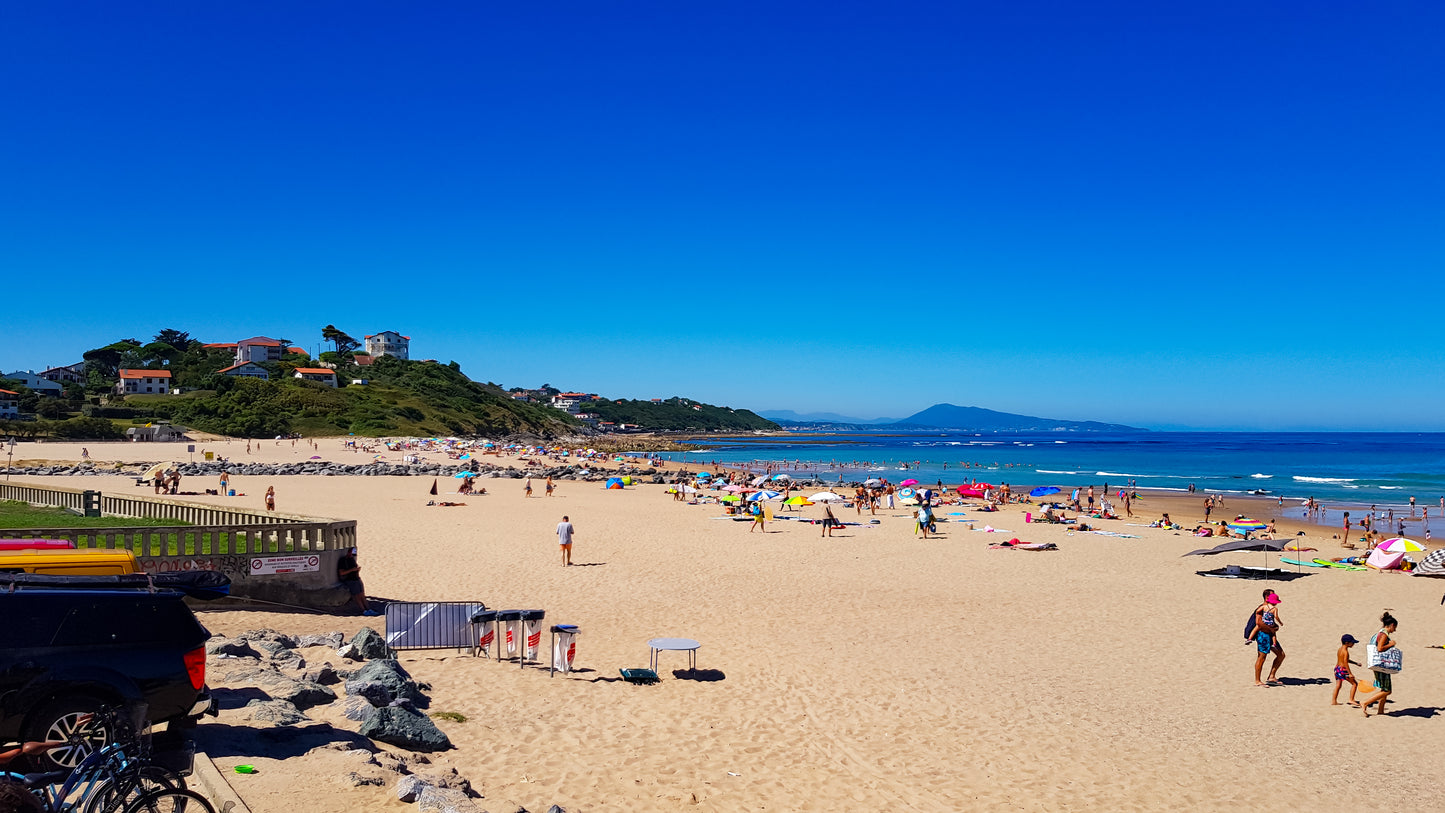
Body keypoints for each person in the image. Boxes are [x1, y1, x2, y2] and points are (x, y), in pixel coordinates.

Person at [1359, 612, 1399, 717]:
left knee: (1384, 688)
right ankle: (1365, 703)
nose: (1394, 630)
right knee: (1387, 690)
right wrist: (1391, 644)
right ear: (1391, 625)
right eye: (1394, 627)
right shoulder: (1384, 634)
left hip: (1377, 664)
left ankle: (1381, 711)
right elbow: (1380, 648)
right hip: (1382, 665)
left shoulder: (1378, 633)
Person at [1251, 589, 1285, 686]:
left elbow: (1271, 621)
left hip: (1270, 635)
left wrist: (1275, 627)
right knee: (1262, 657)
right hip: (1262, 635)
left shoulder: (1271, 608)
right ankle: (1257, 680)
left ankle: (1271, 676)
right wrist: (1272, 629)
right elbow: (1259, 623)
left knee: (1281, 654)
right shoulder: (1262, 608)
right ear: (1267, 598)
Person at [337, 547, 378, 616]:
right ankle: (364, 610)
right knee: (357, 596)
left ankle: (368, 609)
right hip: (350, 580)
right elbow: (341, 573)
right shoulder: (343, 561)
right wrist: (352, 570)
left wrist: (357, 570)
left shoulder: (352, 559)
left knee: (362, 594)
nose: (352, 555)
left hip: (357, 578)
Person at [1331, 634, 1361, 707]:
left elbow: (1344, 660)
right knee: (1354, 684)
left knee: (1338, 685)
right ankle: (1351, 699)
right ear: (1347, 643)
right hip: (1343, 670)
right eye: (1352, 642)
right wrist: (1350, 673)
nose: (1353, 644)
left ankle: (1334, 701)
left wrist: (1355, 663)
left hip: (1337, 669)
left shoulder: (1340, 649)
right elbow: (1345, 663)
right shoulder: (1346, 652)